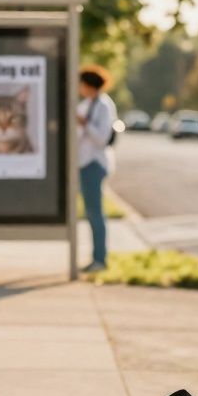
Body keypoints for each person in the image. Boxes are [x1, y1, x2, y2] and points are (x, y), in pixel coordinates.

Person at [76, 66, 116, 273]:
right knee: (91, 213)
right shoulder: (88, 104)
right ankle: (96, 258)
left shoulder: (102, 106)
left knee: (95, 213)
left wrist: (85, 123)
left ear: (88, 84)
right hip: (83, 163)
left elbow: (101, 138)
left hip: (94, 164)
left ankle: (100, 259)